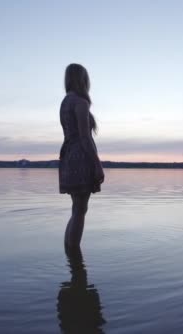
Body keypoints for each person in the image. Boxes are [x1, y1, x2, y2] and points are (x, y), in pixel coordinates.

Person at [59, 63, 104, 248]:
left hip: (69, 155)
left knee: (76, 209)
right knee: (80, 209)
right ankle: (75, 259)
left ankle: (70, 256)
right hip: (80, 158)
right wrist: (97, 164)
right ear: (83, 80)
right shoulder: (80, 102)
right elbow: (85, 138)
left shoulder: (65, 101)